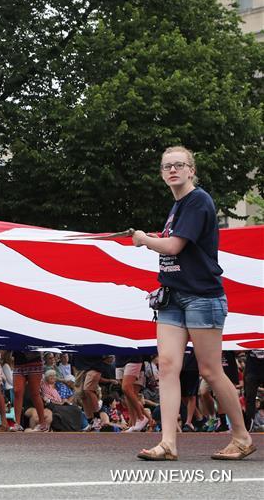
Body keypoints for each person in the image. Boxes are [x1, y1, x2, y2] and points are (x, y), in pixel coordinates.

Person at [133, 146, 255, 461]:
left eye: (179, 165)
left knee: (211, 370)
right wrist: (150, 238)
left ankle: (241, 437)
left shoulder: (198, 201)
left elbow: (173, 246)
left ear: (191, 170)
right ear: (162, 174)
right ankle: (168, 443)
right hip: (173, 296)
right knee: (168, 366)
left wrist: (144, 239)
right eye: (166, 166)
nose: (172, 170)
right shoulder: (177, 207)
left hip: (202, 296)